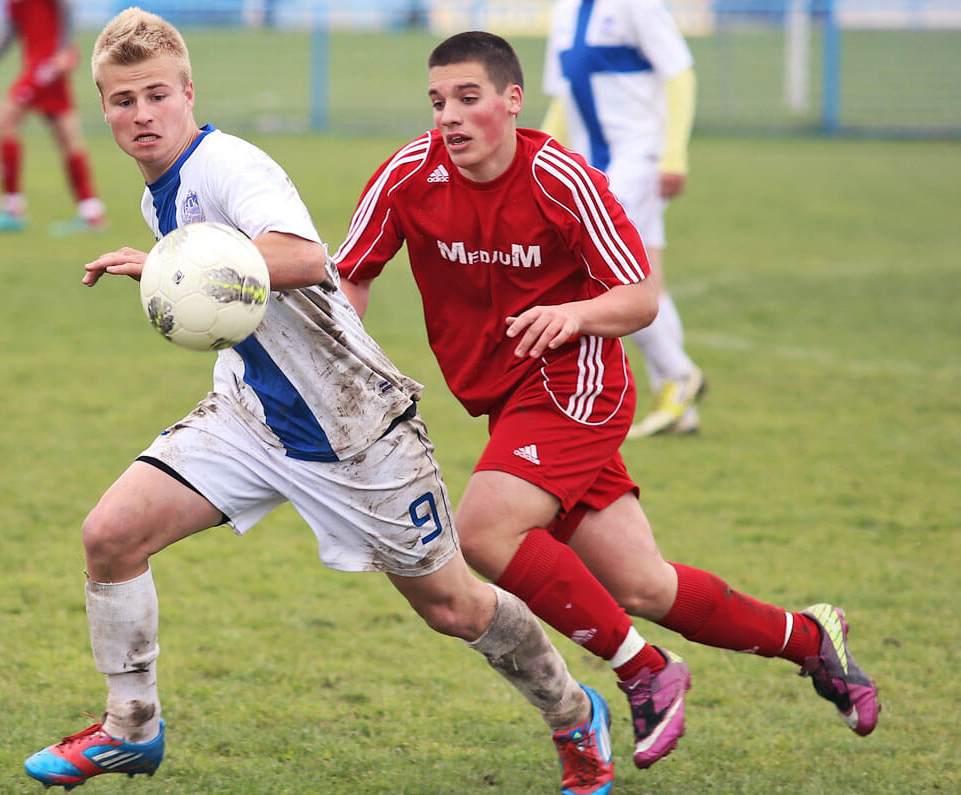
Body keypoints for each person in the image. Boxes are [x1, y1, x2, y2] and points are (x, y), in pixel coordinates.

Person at [22, 11, 614, 795]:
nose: (141, 116)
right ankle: (131, 728)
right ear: (103, 107)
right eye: (123, 101)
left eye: (156, 95)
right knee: (111, 534)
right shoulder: (159, 194)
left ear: (188, 92)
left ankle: (574, 712)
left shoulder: (231, 167)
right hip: (251, 418)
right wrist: (175, 262)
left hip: (356, 431)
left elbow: (305, 258)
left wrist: (179, 261)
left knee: (454, 607)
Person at [334, 31, 880, 769]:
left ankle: (643, 669)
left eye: (468, 98)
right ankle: (815, 641)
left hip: (577, 383)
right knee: (645, 584)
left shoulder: (559, 177)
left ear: (511, 101)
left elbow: (641, 296)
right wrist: (341, 364)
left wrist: (575, 315)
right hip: (508, 400)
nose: (449, 117)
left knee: (486, 531)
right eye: (438, 102)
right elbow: (351, 273)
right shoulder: (410, 174)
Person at [542, 0, 704, 438]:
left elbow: (679, 74)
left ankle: (678, 372)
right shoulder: (563, 12)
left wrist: (673, 153)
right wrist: (539, 156)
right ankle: (678, 402)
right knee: (645, 277)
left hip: (639, 160)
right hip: (594, 167)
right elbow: (564, 97)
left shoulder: (637, 5)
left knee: (608, 275)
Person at [0, 0, 105, 236]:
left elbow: (66, 6)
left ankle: (12, 210)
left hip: (48, 63)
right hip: (38, 62)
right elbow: (12, 29)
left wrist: (65, 49)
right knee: (66, 135)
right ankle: (91, 212)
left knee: (4, 121)